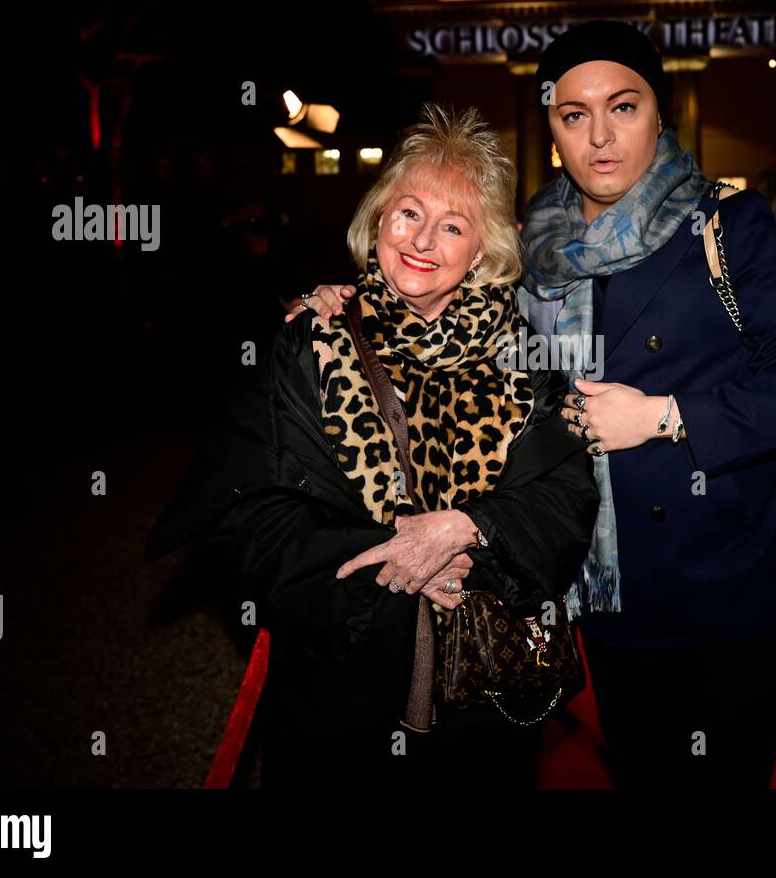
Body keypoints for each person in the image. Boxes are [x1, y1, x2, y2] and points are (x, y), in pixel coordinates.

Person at [290, 21, 776, 786]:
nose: (600, 136)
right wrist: (355, 301)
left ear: (660, 114)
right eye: (573, 114)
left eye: (623, 107)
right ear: (552, 126)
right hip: (595, 583)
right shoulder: (530, 242)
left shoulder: (728, 226)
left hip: (721, 584)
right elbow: (446, 311)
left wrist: (663, 416)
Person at [145, 104, 599, 787]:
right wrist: (394, 564)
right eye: (409, 212)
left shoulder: (525, 356)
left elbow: (567, 496)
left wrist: (471, 531)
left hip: (485, 698)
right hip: (343, 689)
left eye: (453, 226)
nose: (423, 239)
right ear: (378, 217)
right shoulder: (313, 340)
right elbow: (249, 515)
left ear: (482, 250)